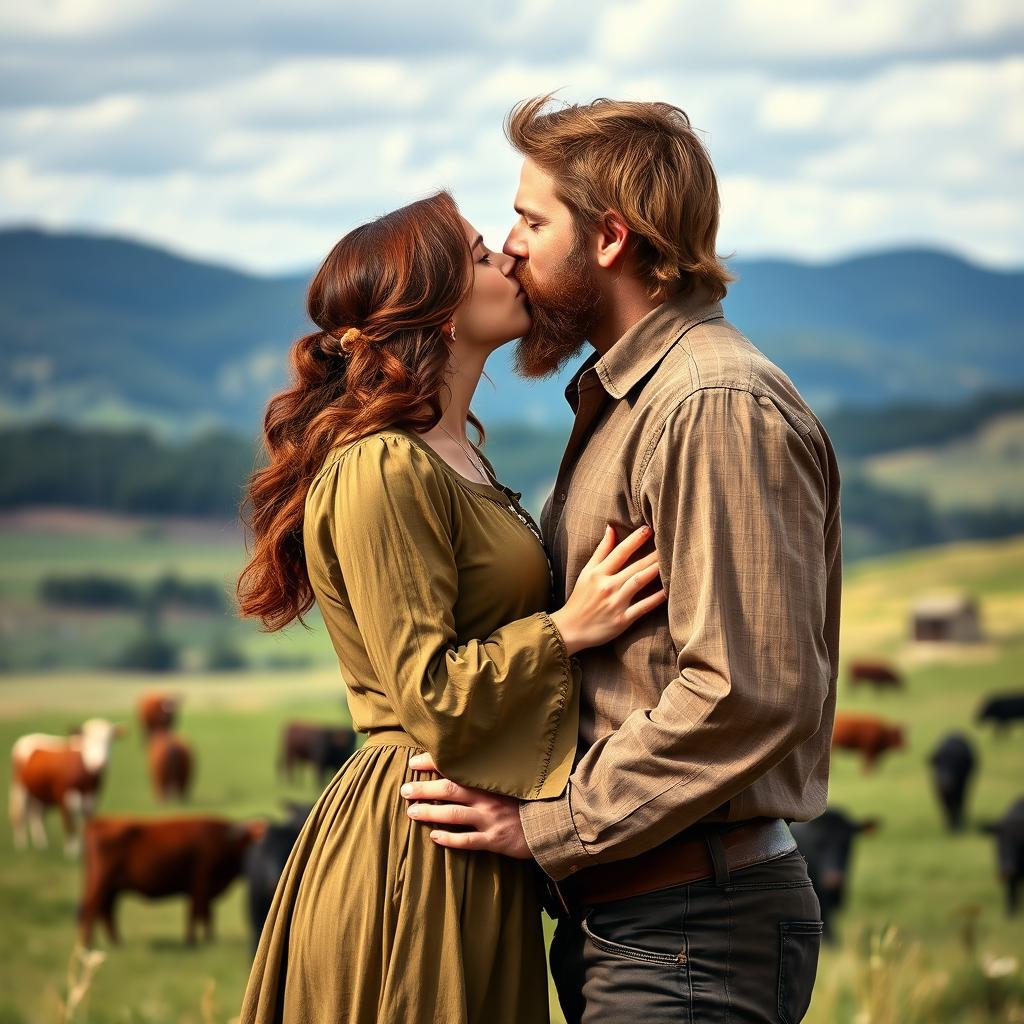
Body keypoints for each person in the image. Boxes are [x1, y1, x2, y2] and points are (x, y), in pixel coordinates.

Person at [399, 96, 842, 1023]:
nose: (509, 246)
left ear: (607, 237)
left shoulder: (710, 405)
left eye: (530, 220)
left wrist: (544, 824)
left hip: (691, 929)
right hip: (645, 921)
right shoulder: (630, 401)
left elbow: (747, 689)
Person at [234, 188, 667, 1024]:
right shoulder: (383, 467)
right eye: (477, 253)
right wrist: (568, 629)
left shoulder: (456, 453)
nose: (507, 254)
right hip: (415, 842)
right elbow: (428, 694)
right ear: (431, 309)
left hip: (470, 832)